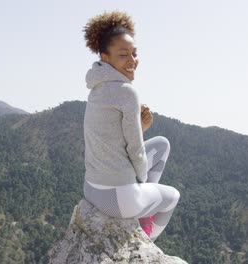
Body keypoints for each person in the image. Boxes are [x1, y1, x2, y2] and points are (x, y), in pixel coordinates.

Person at [82, 10, 180, 242]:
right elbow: (135, 151)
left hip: (91, 189)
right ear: (105, 57)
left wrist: (138, 127)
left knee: (161, 145)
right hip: (117, 199)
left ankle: (138, 201)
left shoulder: (97, 88)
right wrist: (139, 181)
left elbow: (110, 138)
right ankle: (144, 240)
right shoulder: (127, 92)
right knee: (173, 196)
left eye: (134, 54)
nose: (132, 60)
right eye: (123, 54)